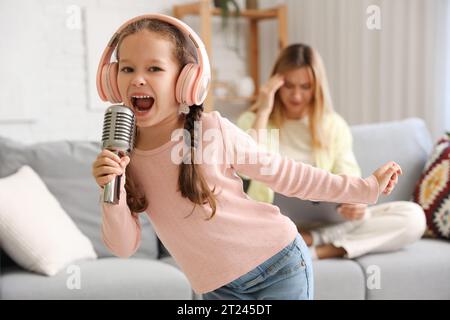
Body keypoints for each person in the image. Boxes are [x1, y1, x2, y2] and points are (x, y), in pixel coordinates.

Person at [92, 15, 401, 300]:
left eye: (154, 68)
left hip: (279, 266)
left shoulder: (212, 131)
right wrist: (112, 193)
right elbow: (122, 246)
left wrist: (365, 188)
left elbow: (287, 175)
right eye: (127, 68)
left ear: (186, 80)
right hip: (218, 290)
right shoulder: (121, 154)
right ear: (111, 78)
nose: (138, 79)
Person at [237, 43, 425, 260]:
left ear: (316, 88)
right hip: (272, 225)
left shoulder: (334, 126)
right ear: (275, 85)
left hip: (326, 223)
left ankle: (314, 245)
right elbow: (246, 170)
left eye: (305, 87)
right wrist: (263, 110)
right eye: (289, 86)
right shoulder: (253, 121)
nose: (296, 96)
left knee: (412, 217)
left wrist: (357, 205)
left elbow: (351, 181)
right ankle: (308, 240)